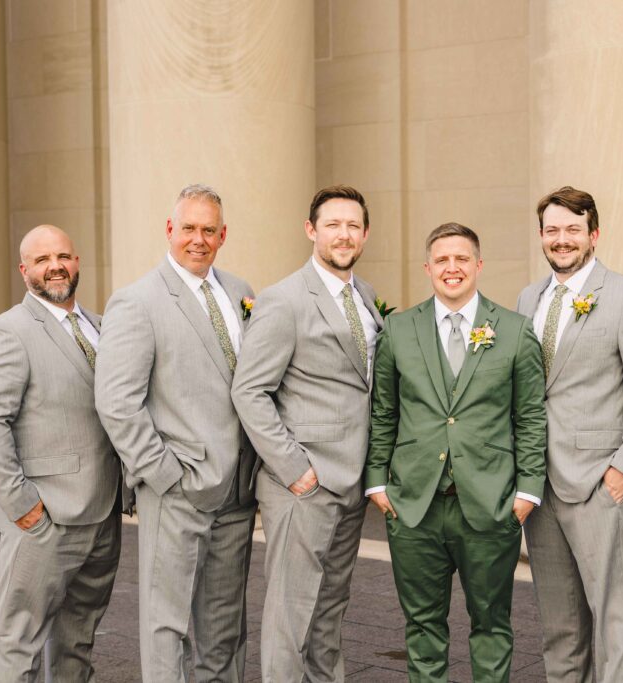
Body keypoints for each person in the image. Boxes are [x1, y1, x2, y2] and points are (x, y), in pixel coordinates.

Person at [366, 222, 547, 682]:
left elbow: (529, 417)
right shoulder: (398, 330)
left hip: (490, 504)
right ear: (428, 268)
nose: (452, 268)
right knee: (422, 629)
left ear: (478, 266)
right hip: (414, 506)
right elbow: (384, 411)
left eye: (462, 259)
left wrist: (527, 491)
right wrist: (377, 482)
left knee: (492, 626)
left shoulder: (513, 330)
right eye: (442, 260)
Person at [95, 184, 257, 681]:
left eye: (209, 230)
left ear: (223, 235)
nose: (198, 239)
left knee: (226, 625)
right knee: (168, 625)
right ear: (170, 230)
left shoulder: (240, 292)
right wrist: (164, 475)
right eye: (188, 228)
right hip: (178, 487)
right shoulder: (136, 301)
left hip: (239, 489)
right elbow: (116, 402)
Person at [516, 187, 623, 681]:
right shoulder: (529, 297)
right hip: (539, 486)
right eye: (552, 230)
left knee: (615, 619)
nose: (562, 240)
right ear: (542, 236)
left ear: (593, 234)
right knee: (559, 626)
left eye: (572, 230)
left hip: (598, 484)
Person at [232, 185, 382, 682]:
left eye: (353, 225)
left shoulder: (362, 298)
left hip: (350, 484)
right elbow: (250, 392)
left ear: (365, 234)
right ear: (311, 230)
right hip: (303, 487)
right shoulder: (283, 300)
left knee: (329, 615)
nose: (344, 234)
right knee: (290, 616)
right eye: (333, 224)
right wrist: (296, 470)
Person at [0, 224, 124, 681]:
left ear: (77, 262)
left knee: (79, 635)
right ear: (25, 271)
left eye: (63, 256)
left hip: (103, 510)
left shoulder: (100, 327)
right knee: (19, 636)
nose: (54, 266)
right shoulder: (7, 331)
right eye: (41, 260)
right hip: (44, 516)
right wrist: (22, 506)